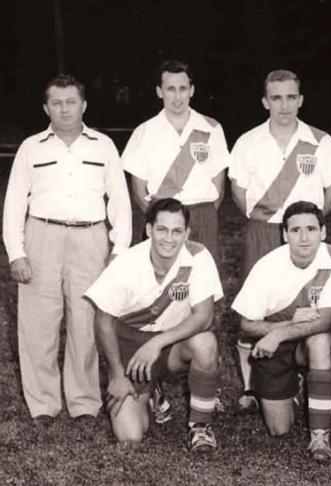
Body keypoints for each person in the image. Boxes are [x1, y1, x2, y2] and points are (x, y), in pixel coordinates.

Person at [3, 75, 132, 424]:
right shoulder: (31, 148)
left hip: (90, 238)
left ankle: (84, 402)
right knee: (38, 322)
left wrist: (119, 248)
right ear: (46, 108)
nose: (64, 109)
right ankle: (43, 403)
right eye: (57, 103)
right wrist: (17, 252)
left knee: (86, 320)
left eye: (71, 102)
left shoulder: (103, 146)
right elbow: (14, 203)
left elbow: (120, 201)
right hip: (41, 236)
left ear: (84, 105)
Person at [229, 70, 331, 412]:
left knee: (306, 302)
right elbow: (238, 191)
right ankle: (251, 386)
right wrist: (265, 219)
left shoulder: (320, 141)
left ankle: (298, 370)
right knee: (256, 307)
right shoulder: (248, 141)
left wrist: (308, 223)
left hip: (303, 231)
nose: (284, 105)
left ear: (300, 100)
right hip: (263, 229)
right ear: (265, 102)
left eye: (291, 97)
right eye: (276, 98)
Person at [85, 198, 223, 451]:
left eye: (177, 231)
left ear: (187, 233)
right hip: (131, 345)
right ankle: (150, 392)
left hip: (172, 343)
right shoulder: (127, 262)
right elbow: (103, 319)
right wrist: (116, 375)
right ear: (149, 230)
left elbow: (204, 316)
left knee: (205, 343)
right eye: (162, 230)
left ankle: (201, 427)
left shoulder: (199, 255)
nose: (169, 239)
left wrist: (157, 343)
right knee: (130, 437)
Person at [230, 202, 331, 463]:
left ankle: (320, 435)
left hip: (302, 339)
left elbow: (324, 322)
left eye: (311, 229)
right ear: (285, 235)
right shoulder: (267, 266)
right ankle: (296, 390)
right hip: (271, 344)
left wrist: (279, 335)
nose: (304, 237)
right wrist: (281, 327)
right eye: (296, 230)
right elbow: (246, 324)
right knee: (279, 429)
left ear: (323, 232)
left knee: (320, 341)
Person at [121, 60, 230, 258]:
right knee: (161, 273)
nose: (178, 97)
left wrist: (201, 216)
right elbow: (138, 191)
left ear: (192, 90)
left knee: (202, 273)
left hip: (202, 216)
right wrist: (161, 218)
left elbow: (219, 187)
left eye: (183, 88)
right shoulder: (144, 132)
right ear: (159, 91)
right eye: (171, 89)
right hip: (162, 217)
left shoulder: (211, 128)